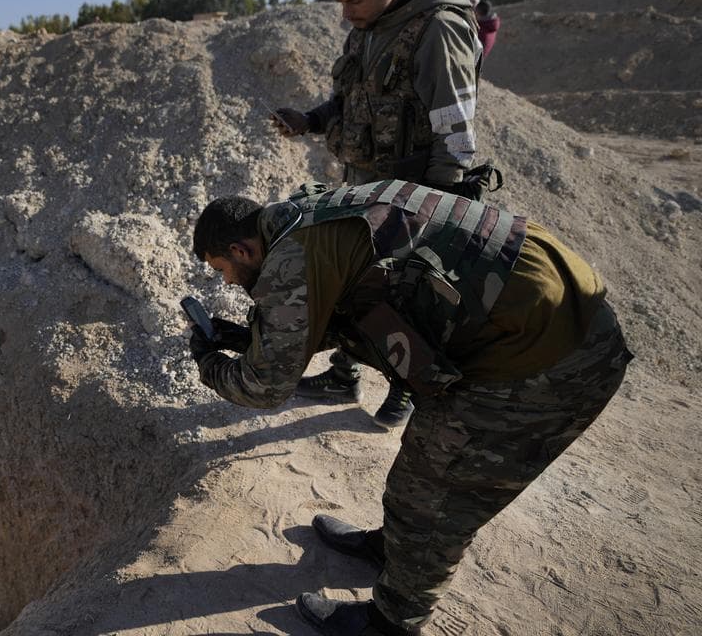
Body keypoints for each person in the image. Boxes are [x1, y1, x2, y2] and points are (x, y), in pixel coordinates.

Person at [187, 181, 631, 636]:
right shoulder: (307, 215)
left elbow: (264, 388)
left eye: (222, 269)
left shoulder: (288, 257)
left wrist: (208, 362)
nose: (226, 281)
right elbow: (339, 308)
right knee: (420, 476)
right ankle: (395, 552)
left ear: (242, 250)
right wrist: (249, 339)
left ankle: (390, 623)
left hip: (547, 357)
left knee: (434, 495)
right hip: (548, 310)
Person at [268, 0, 485, 428]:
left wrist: (435, 207)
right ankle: (345, 373)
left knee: (404, 294)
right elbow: (350, 101)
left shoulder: (437, 28)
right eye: (340, 0)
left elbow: (456, 130)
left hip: (412, 195)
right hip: (361, 186)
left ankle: (405, 389)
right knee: (355, 284)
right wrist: (311, 120)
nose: (345, 11)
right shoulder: (367, 27)